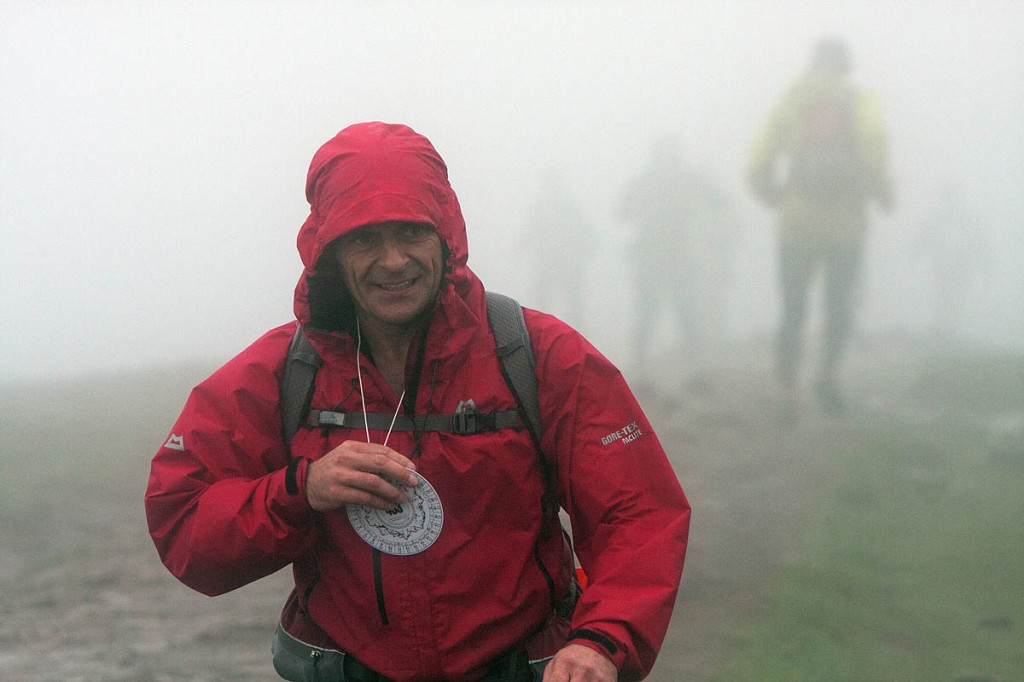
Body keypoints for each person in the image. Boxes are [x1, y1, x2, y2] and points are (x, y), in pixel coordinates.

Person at [145, 122, 690, 682]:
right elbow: (183, 518)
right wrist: (300, 489)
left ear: (446, 236)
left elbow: (639, 513)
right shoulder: (283, 372)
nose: (392, 261)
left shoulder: (539, 356)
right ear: (328, 251)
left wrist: (601, 641)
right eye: (363, 239)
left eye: (410, 232)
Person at [748, 36, 894, 418]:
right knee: (838, 304)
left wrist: (774, 196)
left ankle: (786, 385)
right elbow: (875, 146)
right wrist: (884, 195)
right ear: (846, 64)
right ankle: (827, 378)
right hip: (846, 223)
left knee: (793, 305)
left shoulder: (793, 100)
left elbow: (758, 161)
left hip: (797, 221)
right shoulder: (858, 100)